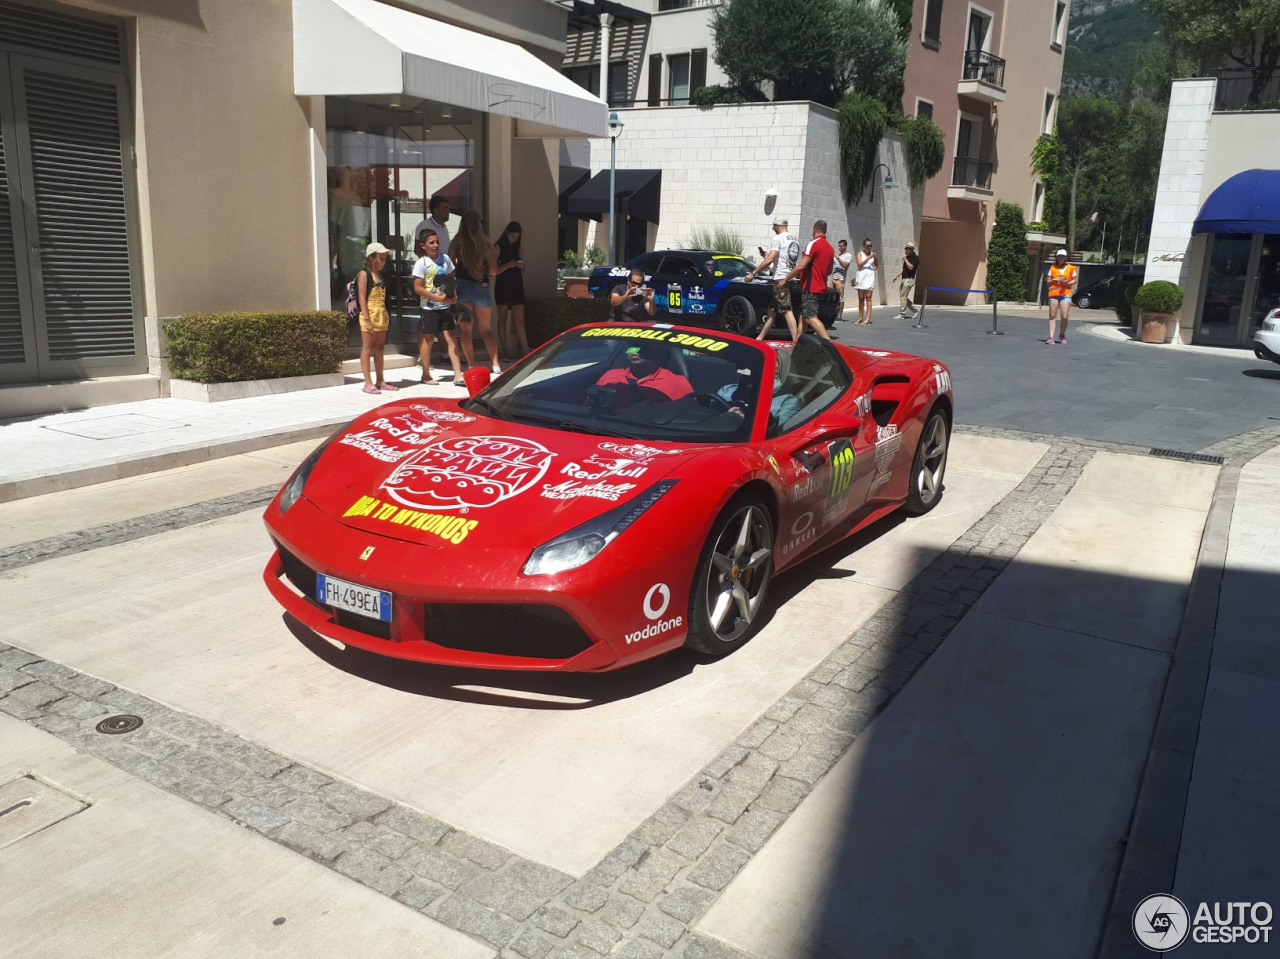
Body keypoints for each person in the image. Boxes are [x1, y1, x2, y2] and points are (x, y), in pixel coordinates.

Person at [451, 210, 503, 374]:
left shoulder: (458, 241)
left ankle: (471, 365)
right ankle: (495, 365)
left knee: (466, 330)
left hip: (462, 286)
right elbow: (493, 272)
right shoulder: (486, 245)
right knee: (486, 330)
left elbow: (449, 262)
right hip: (481, 288)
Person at [411, 232, 462, 384]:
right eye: (431, 243)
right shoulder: (422, 263)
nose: (435, 246)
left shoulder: (446, 259)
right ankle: (426, 374)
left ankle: (458, 375)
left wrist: (453, 295)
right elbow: (418, 288)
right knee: (428, 339)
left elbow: (452, 279)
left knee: (451, 338)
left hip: (446, 306)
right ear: (423, 246)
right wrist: (438, 298)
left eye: (437, 242)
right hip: (429, 308)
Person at [776, 219, 835, 341]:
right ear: (825, 231)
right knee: (803, 316)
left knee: (810, 317)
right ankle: (798, 342)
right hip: (820, 286)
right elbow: (829, 271)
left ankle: (829, 344)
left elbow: (802, 266)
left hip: (810, 287)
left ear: (814, 230)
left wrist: (785, 279)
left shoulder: (813, 244)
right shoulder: (830, 248)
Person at [746, 216, 801, 339]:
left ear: (778, 226)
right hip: (790, 276)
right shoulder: (794, 239)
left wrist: (753, 273)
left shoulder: (778, 238)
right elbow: (781, 260)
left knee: (786, 310)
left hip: (781, 278)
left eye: (774, 227)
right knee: (772, 311)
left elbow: (771, 258)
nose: (773, 229)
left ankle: (796, 340)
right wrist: (768, 258)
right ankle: (760, 337)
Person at [356, 242, 399, 395]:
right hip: (369, 314)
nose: (383, 261)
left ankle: (380, 380)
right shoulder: (364, 274)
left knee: (380, 348)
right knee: (367, 348)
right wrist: (367, 319)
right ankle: (368, 382)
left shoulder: (381, 275)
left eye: (385, 259)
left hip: (381, 314)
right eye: (381, 258)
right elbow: (362, 298)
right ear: (371, 258)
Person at [594, 343, 693, 407]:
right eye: (632, 346)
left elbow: (692, 416)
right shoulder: (610, 376)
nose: (635, 351)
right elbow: (591, 407)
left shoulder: (677, 383)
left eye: (643, 346)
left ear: (658, 352)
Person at [716, 368, 801, 429]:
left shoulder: (787, 401)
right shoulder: (727, 390)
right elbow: (710, 416)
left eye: (775, 373)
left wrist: (746, 419)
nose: (774, 376)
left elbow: (777, 431)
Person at [493, 222, 528, 359]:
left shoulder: (517, 247)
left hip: (516, 284)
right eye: (512, 237)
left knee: (520, 321)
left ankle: (526, 352)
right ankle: (504, 350)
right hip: (503, 284)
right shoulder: (498, 247)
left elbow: (520, 261)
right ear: (507, 233)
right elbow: (494, 271)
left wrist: (521, 265)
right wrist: (510, 264)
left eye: (517, 237)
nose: (514, 239)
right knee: (502, 318)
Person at [1046, 248, 1078, 345]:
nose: (1061, 258)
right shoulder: (1052, 268)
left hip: (1065, 294)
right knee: (1052, 315)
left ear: (1066, 257)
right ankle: (1051, 337)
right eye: (1059, 256)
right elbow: (1048, 282)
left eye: (1063, 256)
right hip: (1054, 295)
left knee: (1064, 316)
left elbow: (1074, 280)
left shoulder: (1071, 268)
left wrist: (1068, 282)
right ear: (1056, 257)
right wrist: (1056, 280)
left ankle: (1062, 334)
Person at [890, 241, 919, 319]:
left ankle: (902, 314)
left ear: (912, 249)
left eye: (908, 249)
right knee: (903, 297)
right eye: (906, 248)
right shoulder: (907, 257)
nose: (906, 250)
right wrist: (896, 276)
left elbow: (911, 267)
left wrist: (905, 259)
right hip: (904, 279)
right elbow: (904, 268)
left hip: (909, 280)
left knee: (903, 297)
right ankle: (915, 310)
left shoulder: (915, 258)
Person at [854, 237, 877, 325]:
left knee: (868, 297)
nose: (869, 248)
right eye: (867, 246)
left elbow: (876, 265)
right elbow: (860, 265)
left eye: (870, 246)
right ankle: (860, 318)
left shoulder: (874, 255)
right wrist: (868, 258)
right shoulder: (859, 254)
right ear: (864, 246)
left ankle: (868, 318)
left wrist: (870, 271)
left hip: (870, 278)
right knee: (861, 298)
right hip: (861, 277)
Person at [832, 239, 852, 317]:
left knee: (841, 298)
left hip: (840, 280)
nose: (839, 247)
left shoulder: (848, 255)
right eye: (839, 246)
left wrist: (837, 258)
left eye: (841, 246)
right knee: (832, 297)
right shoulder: (838, 256)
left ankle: (840, 316)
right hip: (833, 278)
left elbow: (845, 266)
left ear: (845, 246)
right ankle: (833, 315)